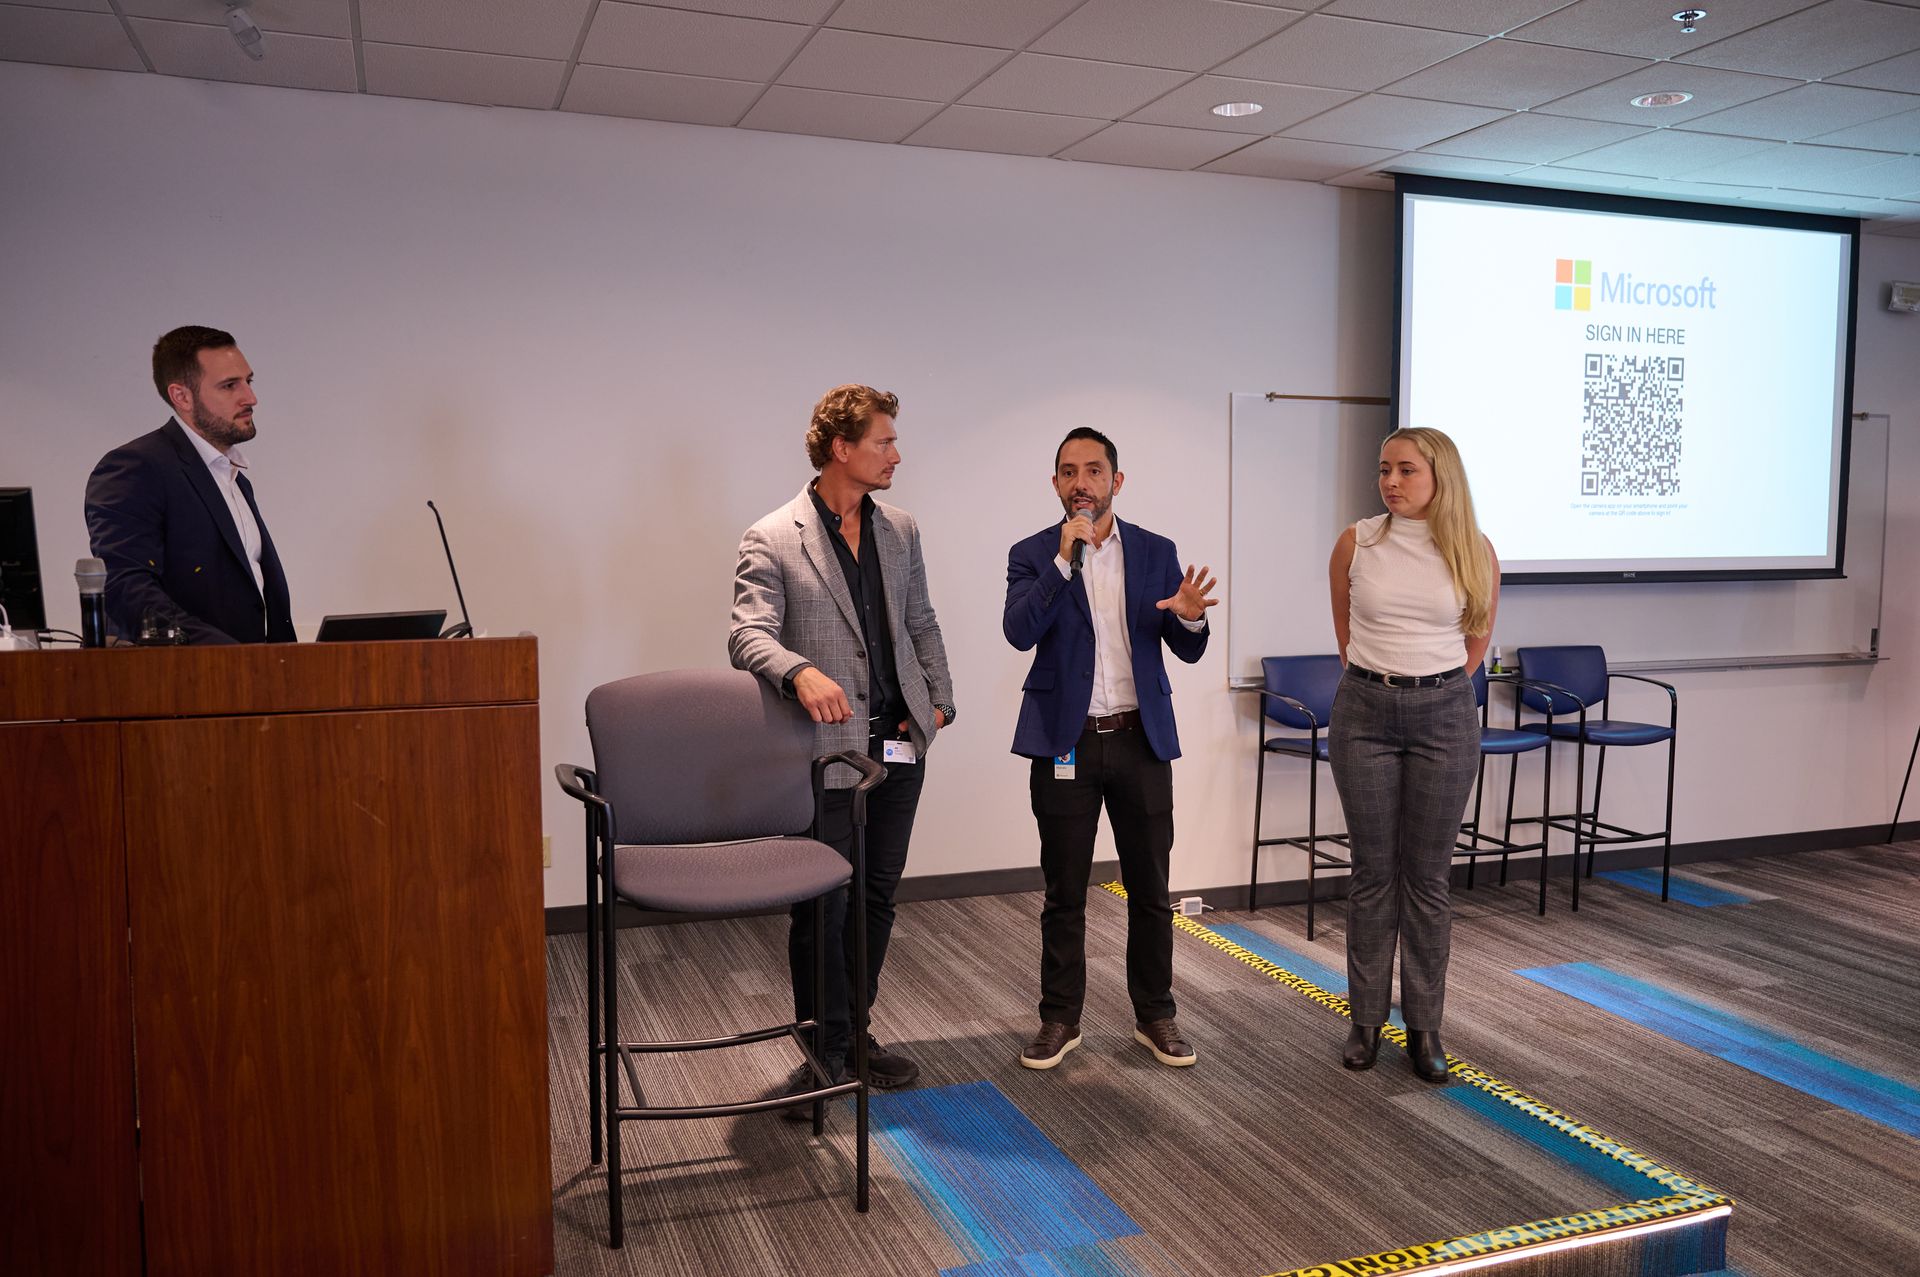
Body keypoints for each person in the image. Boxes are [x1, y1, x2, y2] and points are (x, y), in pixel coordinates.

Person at [729, 384, 954, 1104]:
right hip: (825, 753)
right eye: (884, 441)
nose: (896, 454)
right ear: (841, 449)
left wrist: (940, 698)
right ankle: (820, 1046)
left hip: (897, 741)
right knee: (822, 902)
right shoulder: (772, 535)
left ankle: (856, 1031)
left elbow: (921, 620)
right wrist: (798, 671)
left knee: (877, 896)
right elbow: (746, 633)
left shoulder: (902, 530)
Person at [1004, 427, 1218, 1072]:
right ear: (1056, 485)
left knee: (1151, 888)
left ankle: (1156, 1014)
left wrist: (1188, 615)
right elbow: (1019, 631)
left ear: (1116, 482)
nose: (1081, 483)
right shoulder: (1034, 552)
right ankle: (1059, 1019)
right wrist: (1062, 562)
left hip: (1140, 741)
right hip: (1065, 744)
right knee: (1063, 891)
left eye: (1093, 471)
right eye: (1068, 472)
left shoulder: (1156, 551)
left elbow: (1188, 648)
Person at [1327, 426, 1499, 1083]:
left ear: (1440, 478)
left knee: (1427, 878)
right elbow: (1345, 634)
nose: (1390, 482)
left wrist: (1431, 684)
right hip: (1365, 712)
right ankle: (1365, 1020)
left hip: (1445, 717)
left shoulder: (1474, 551)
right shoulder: (1357, 541)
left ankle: (1425, 1028)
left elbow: (1476, 643)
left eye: (1405, 471)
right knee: (1373, 873)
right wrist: (1387, 679)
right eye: (1384, 470)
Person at [84, 326, 294, 645]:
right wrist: (227, 656)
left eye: (248, 381)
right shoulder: (137, 467)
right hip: (186, 683)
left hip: (254, 679)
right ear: (181, 396)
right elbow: (125, 587)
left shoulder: (234, 479)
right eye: (229, 386)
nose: (250, 398)